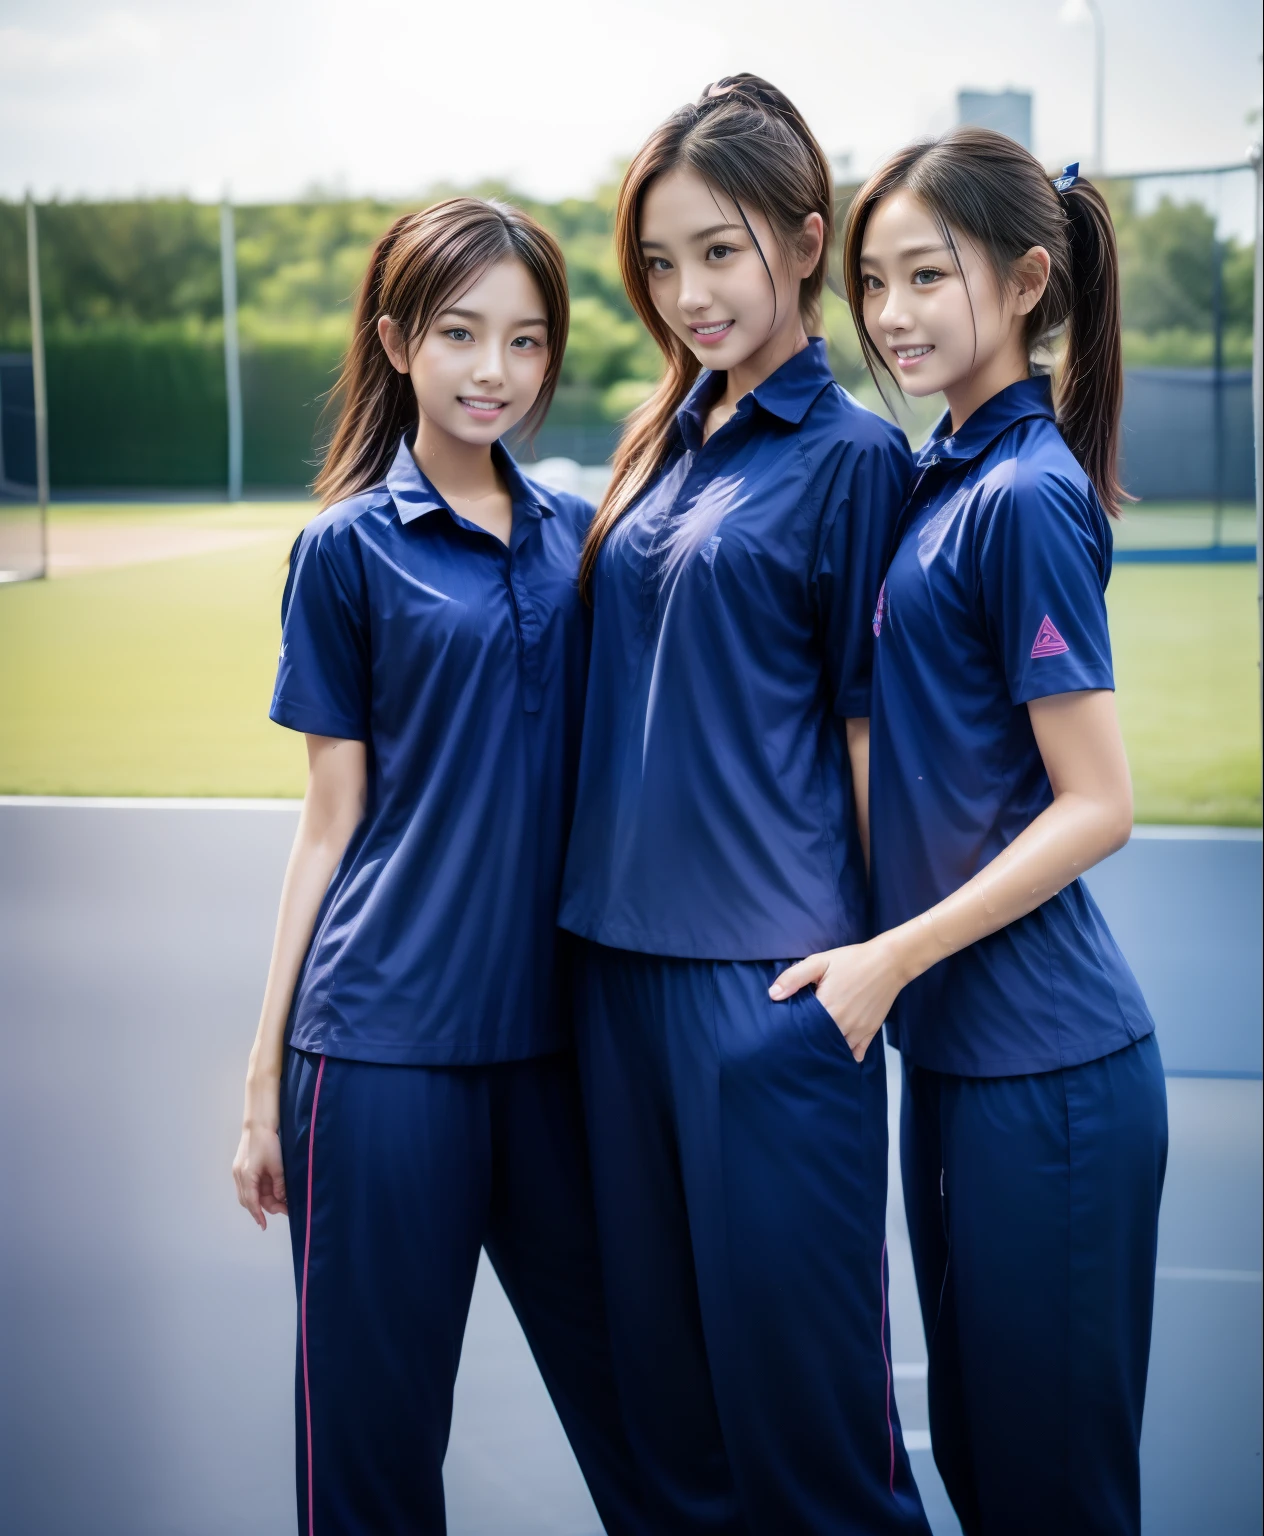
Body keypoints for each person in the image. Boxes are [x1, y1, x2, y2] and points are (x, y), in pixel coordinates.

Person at [231, 197, 646, 1536]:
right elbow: (329, 819)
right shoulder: (344, 552)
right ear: (399, 339)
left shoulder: (584, 540)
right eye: (462, 333)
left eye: (526, 342)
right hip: (380, 1057)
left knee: (655, 1430)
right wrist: (261, 1083)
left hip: (552, 1063)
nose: (494, 370)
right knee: (371, 1460)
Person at [773, 129, 1168, 1534]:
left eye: (926, 275)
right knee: (988, 1475)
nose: (890, 314)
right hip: (960, 1064)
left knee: (1050, 1493)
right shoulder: (941, 476)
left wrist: (891, 953)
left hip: (1050, 1077)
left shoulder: (1026, 495)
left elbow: (1099, 804)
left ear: (1025, 281)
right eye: (873, 282)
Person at [558, 75, 930, 1536]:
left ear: (802, 241)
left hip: (766, 995)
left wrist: (875, 965)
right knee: (669, 1439)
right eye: (659, 261)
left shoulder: (854, 461)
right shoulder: (663, 439)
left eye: (719, 250)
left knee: (811, 1446)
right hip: (612, 978)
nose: (688, 291)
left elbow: (866, 744)